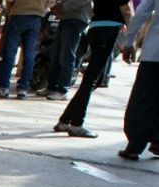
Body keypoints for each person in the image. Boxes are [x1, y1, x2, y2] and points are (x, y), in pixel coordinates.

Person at [53, 0, 133, 136]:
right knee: (92, 79)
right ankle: (77, 123)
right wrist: (131, 40)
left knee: (95, 78)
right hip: (108, 30)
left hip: (96, 27)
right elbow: (126, 11)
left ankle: (65, 119)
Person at [117, 0, 159, 158]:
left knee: (143, 99)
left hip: (154, 54)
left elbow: (140, 13)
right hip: (153, 53)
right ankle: (157, 140)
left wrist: (129, 42)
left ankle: (135, 145)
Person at [0, 0, 49, 98]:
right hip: (37, 17)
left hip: (18, 15)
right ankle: (23, 89)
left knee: (10, 52)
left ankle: (4, 87)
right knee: (30, 54)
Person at [44, 0, 92, 99]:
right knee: (56, 53)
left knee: (66, 55)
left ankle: (63, 89)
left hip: (76, 20)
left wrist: (62, 7)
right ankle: (52, 86)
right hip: (65, 18)